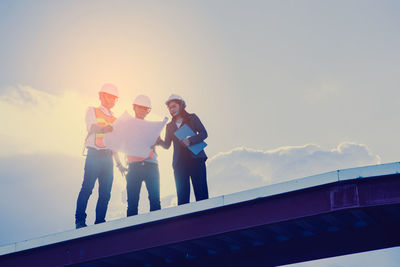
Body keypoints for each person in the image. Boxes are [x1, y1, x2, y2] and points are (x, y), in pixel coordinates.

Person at [75, 83, 125, 229]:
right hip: (94, 155)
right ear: (101, 96)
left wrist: (119, 163)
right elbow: (92, 126)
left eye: (115, 98)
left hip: (108, 158)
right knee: (87, 188)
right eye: (110, 97)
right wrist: (105, 128)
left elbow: (114, 144)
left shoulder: (115, 119)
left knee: (105, 192)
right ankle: (80, 221)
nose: (112, 101)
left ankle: (100, 222)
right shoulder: (92, 110)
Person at [157, 94, 209, 205]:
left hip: (196, 160)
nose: (172, 110)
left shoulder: (192, 118)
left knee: (201, 194)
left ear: (181, 105)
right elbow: (167, 145)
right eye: (170, 108)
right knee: (182, 198)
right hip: (180, 164)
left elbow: (204, 133)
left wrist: (190, 140)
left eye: (174, 106)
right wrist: (159, 141)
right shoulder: (169, 126)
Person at [124, 95, 161, 216]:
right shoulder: (126, 125)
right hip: (134, 166)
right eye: (141, 108)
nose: (144, 111)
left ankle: (158, 230)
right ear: (134, 107)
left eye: (146, 109)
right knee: (132, 203)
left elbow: (157, 143)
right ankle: (132, 233)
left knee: (155, 201)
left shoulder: (151, 126)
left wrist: (156, 139)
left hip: (151, 165)